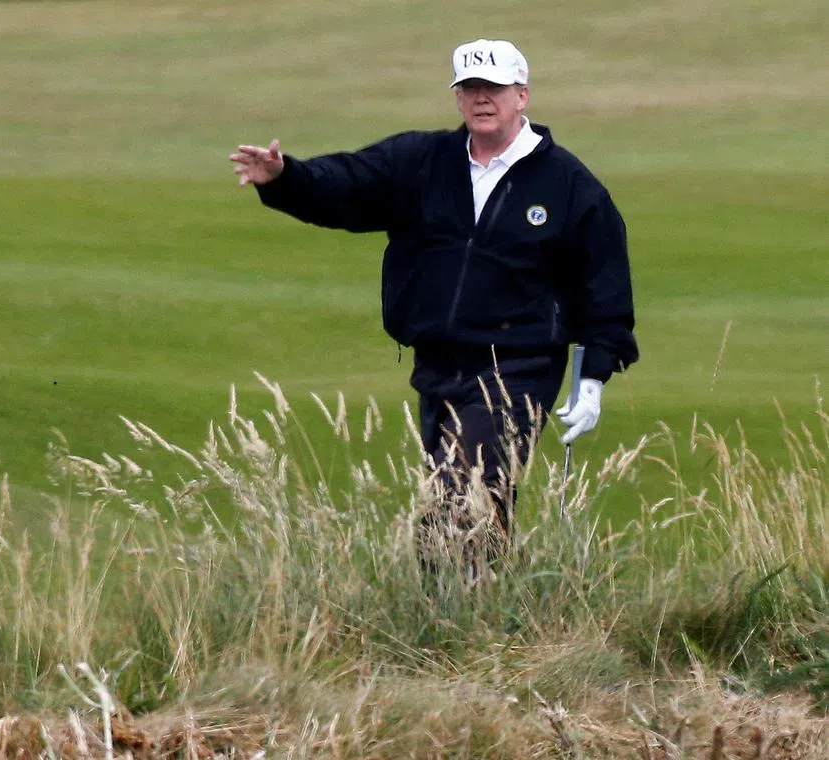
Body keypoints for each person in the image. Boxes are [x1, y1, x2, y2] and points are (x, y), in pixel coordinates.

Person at [230, 38, 638, 578]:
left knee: (460, 495)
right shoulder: (422, 162)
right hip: (438, 365)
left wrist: (593, 378)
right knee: (472, 496)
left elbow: (603, 282)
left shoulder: (567, 183)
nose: (481, 98)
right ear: (458, 98)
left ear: (523, 95)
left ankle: (452, 623)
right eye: (469, 87)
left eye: (493, 87)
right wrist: (287, 178)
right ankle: (482, 626)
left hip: (518, 366)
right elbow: (348, 185)